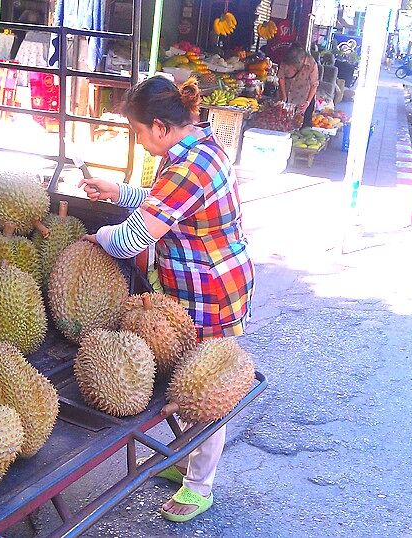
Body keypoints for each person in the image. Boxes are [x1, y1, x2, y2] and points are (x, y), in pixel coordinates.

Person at [79, 76, 254, 523]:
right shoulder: (195, 148)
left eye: (137, 132)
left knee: (205, 388)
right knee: (187, 380)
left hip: (211, 291)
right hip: (201, 283)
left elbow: (137, 234)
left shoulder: (187, 166)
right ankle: (187, 460)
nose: (138, 141)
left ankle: (200, 485)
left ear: (158, 126)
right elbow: (167, 203)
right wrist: (119, 192)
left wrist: (96, 235)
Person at [277, 42, 319, 127]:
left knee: (301, 126)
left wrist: (307, 102)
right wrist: (284, 96)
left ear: (302, 59)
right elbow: (281, 78)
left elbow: (314, 85)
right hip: (285, 97)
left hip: (303, 99)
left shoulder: (311, 63)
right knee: (281, 124)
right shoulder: (285, 61)